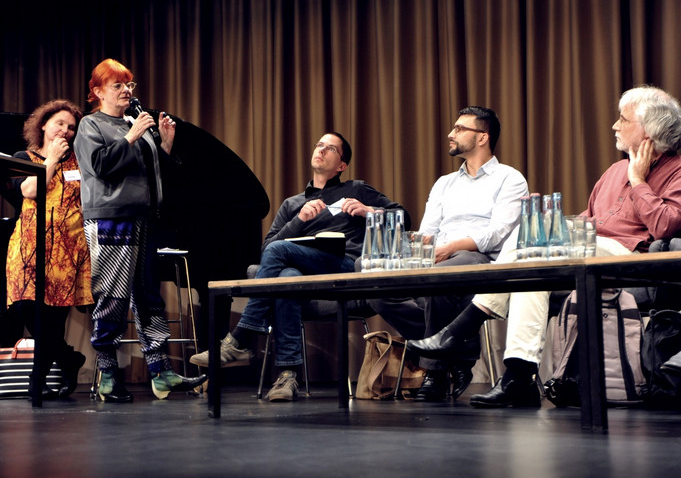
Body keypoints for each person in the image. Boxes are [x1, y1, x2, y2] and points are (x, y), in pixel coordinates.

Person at [408, 85, 681, 408]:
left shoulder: (674, 170)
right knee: (531, 267)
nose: (614, 125)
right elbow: (587, 220)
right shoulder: (613, 171)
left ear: (649, 132)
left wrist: (638, 181)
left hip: (631, 261)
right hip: (587, 253)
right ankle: (518, 378)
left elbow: (666, 225)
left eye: (623, 120)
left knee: (534, 238)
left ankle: (462, 327)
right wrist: (548, 221)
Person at [189, 132, 411, 402]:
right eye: (319, 145)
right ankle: (287, 376)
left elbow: (403, 219)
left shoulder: (356, 189)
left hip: (343, 267)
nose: (321, 150)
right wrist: (299, 220)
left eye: (330, 148)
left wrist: (368, 210)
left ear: (341, 165)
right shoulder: (293, 204)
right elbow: (266, 249)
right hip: (302, 275)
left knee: (281, 255)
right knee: (287, 277)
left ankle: (240, 338)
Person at [371, 106, 529, 402]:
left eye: (459, 129)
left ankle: (436, 371)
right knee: (372, 277)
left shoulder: (509, 179)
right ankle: (458, 348)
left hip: (481, 260)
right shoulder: (444, 183)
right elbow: (428, 230)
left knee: (443, 274)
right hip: (439, 258)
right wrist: (414, 245)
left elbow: (497, 232)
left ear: (482, 137)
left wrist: (451, 247)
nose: (450, 134)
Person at [73, 58, 206, 402]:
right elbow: (100, 166)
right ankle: (107, 374)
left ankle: (161, 373)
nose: (126, 91)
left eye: (129, 85)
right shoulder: (91, 124)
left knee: (148, 296)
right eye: (117, 85)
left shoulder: (136, 124)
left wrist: (163, 145)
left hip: (144, 217)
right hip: (110, 218)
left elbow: (150, 174)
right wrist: (132, 136)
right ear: (98, 91)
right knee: (113, 296)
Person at [5, 99, 93, 399]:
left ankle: (37, 384)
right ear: (43, 124)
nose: (66, 131)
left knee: (54, 319)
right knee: (25, 306)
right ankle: (68, 358)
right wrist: (51, 159)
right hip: (28, 246)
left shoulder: (79, 162)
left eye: (71, 127)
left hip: (67, 249)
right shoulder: (23, 156)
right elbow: (29, 190)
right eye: (60, 124)